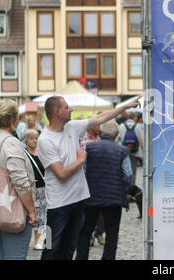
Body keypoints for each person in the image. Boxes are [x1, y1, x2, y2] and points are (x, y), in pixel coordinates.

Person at [37, 95, 141, 260]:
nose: (71, 109)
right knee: (50, 249)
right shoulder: (45, 140)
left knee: (69, 248)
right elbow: (61, 173)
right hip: (57, 206)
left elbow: (102, 117)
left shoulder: (71, 127)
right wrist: (80, 160)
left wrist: (126, 106)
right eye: (66, 107)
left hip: (78, 202)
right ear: (57, 112)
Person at [0, 99, 38, 260]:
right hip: (12, 209)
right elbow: (20, 181)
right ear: (13, 119)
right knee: (15, 256)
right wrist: (31, 211)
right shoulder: (11, 143)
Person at [75, 120, 131, 260]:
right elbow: (128, 174)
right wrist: (120, 186)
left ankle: (81, 257)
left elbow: (83, 170)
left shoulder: (89, 148)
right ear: (117, 134)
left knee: (86, 230)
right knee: (112, 232)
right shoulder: (123, 151)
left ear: (101, 131)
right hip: (114, 198)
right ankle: (108, 258)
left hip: (91, 196)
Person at [79, 115, 105, 246]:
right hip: (87, 179)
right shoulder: (82, 140)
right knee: (88, 210)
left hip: (100, 180)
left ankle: (99, 232)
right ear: (91, 126)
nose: (100, 128)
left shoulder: (100, 139)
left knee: (101, 210)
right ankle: (89, 237)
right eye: (98, 125)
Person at [23, 129, 46, 250]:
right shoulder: (24, 153)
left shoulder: (41, 153)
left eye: (36, 138)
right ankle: (25, 240)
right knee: (28, 214)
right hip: (29, 189)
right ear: (26, 140)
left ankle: (38, 241)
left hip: (42, 189)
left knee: (41, 216)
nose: (35, 141)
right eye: (32, 138)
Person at [116, 112, 143, 186]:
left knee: (123, 170)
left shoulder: (121, 126)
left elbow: (118, 139)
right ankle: (131, 189)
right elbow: (141, 140)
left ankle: (124, 187)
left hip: (123, 152)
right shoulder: (138, 126)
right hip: (135, 152)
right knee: (133, 172)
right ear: (134, 117)